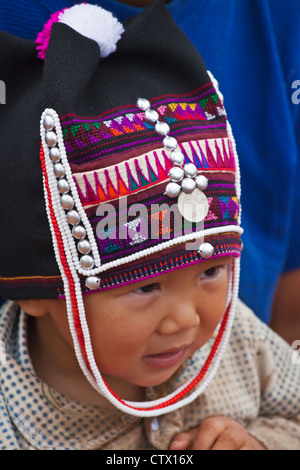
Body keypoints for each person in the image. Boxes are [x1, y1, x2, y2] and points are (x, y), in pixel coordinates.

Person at [0, 1, 299, 450]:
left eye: (210, 270)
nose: (186, 318)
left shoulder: (240, 339)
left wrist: (261, 443)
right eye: (145, 286)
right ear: (35, 289)